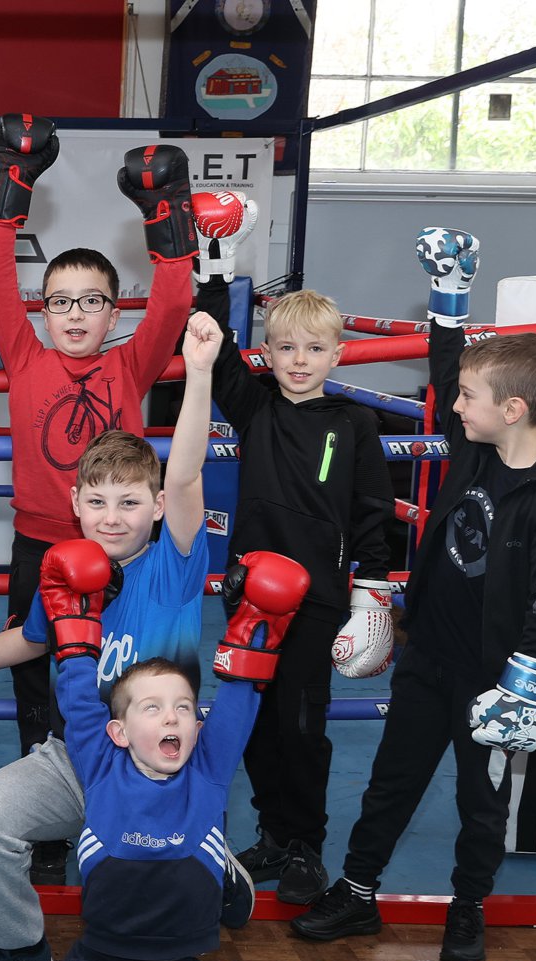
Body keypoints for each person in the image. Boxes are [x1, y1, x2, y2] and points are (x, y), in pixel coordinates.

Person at [292, 229, 536, 961]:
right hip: (431, 656)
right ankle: (357, 891)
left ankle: (469, 907)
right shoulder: (474, 451)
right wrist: (451, 293)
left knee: (481, 801)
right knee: (393, 776)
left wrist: (524, 686)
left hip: (490, 671)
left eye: (467, 400)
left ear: (513, 408)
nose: (454, 405)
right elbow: (451, 362)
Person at [0, 317, 217, 961]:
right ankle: (18, 951)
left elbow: (185, 477)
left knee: (147, 863)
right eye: (97, 502)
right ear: (75, 505)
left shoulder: (174, 567)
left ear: (155, 508)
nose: (113, 517)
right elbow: (32, 639)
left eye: (130, 503)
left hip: (160, 769)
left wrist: (201, 369)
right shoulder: (68, 574)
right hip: (80, 757)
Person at [39, 540, 307, 961]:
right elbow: (78, 695)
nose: (172, 718)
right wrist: (73, 621)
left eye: (183, 708)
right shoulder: (100, 762)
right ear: (119, 731)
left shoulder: (208, 769)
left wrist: (258, 622)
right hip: (102, 955)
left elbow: (240, 693)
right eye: (152, 708)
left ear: (197, 725)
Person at [0, 117, 198, 758]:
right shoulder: (25, 356)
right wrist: (7, 193)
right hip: (39, 545)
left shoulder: (132, 364)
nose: (76, 314)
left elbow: (173, 304)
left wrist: (167, 216)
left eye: (92, 301)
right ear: (42, 310)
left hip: (122, 549)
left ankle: (121, 791)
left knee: (125, 677)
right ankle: (43, 815)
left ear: (113, 309)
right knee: (32, 680)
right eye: (62, 301)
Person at [193, 248, 395, 907]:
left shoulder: (355, 423)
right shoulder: (256, 410)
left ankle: (306, 841)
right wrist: (214, 273)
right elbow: (212, 347)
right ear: (269, 354)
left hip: (317, 600)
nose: (299, 360)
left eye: (313, 348)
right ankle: (276, 834)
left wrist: (374, 589)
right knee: (250, 719)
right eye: (285, 347)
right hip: (250, 592)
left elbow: (371, 510)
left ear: (337, 354)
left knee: (301, 724)